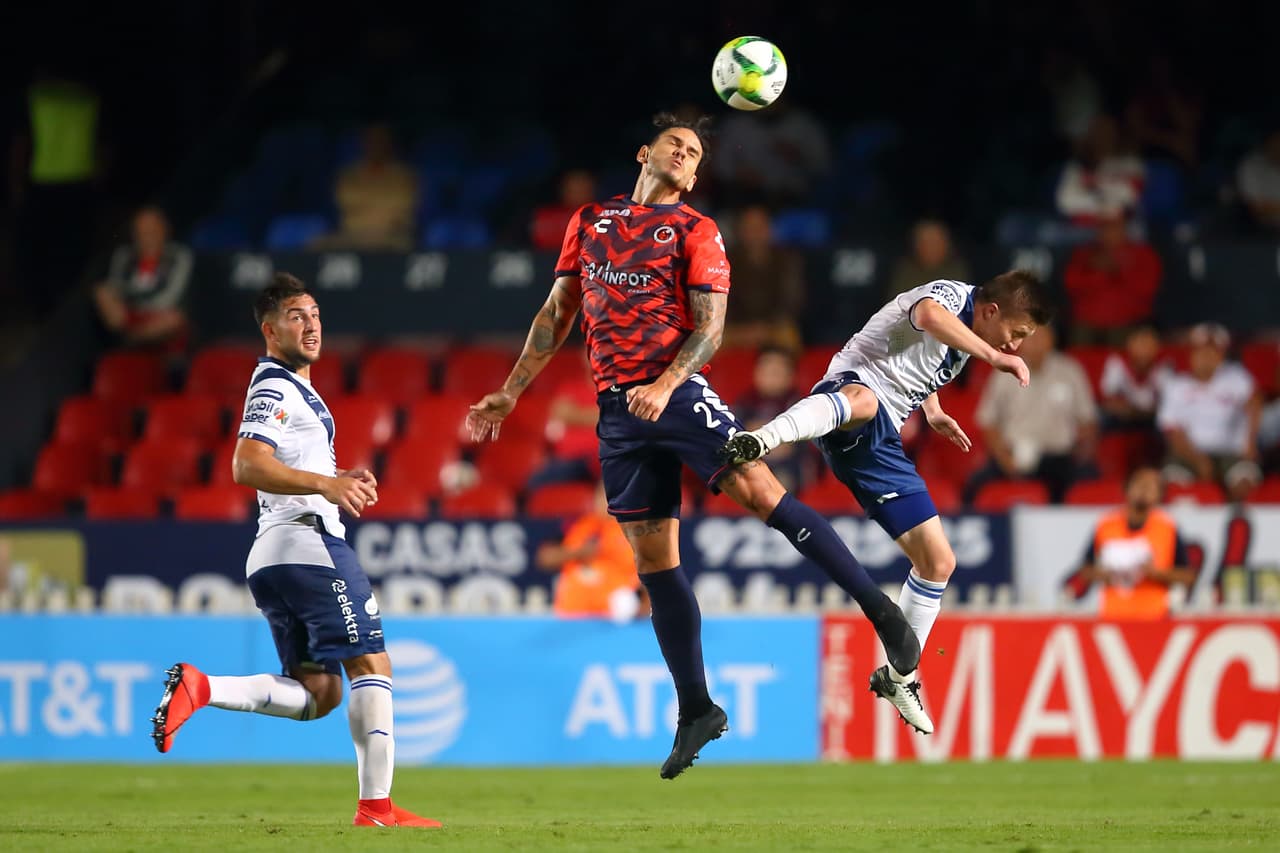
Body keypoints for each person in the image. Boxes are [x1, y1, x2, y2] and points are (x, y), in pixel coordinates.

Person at [466, 112, 919, 779]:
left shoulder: (695, 230)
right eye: (675, 144)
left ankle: (880, 610)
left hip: (676, 396)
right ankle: (697, 706)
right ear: (644, 151)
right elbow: (557, 312)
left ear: (697, 174)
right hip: (618, 414)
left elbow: (710, 330)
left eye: (695, 153)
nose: (683, 154)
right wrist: (511, 390)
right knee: (654, 559)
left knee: (761, 490)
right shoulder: (590, 221)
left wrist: (668, 380)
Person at [149, 273, 439, 829]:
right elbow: (245, 464)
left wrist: (336, 478)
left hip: (275, 554)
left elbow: (279, 463)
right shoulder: (275, 386)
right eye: (296, 317)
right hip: (308, 543)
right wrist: (326, 486)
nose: (310, 326)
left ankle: (202, 687)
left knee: (320, 692)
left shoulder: (294, 389)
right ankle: (377, 810)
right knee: (371, 663)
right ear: (269, 328)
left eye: (315, 315)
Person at [719, 270, 1052, 736]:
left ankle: (900, 677)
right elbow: (928, 317)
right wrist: (994, 355)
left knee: (938, 561)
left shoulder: (965, 338)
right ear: (993, 311)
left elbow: (922, 357)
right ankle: (763, 438)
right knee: (865, 401)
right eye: (1015, 334)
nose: (1014, 345)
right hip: (850, 394)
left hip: (882, 444)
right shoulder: (950, 297)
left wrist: (933, 411)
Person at [968, 323, 1099, 503]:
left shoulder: (1070, 371)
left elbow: (1088, 420)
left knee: (1089, 480)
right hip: (1014, 456)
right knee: (975, 484)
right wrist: (1005, 459)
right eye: (1030, 338)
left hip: (1060, 458)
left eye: (1041, 337)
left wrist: (1080, 450)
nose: (1035, 343)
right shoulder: (1004, 372)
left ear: (1052, 340)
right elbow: (988, 422)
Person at [1062, 466, 1196, 619]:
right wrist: (1106, 574)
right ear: (1126, 488)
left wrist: (1156, 573)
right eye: (1140, 483)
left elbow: (1187, 575)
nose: (1144, 490)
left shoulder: (1168, 527)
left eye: (1151, 485)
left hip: (1155, 616)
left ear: (1159, 494)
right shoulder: (1106, 525)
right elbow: (1085, 570)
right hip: (1113, 614)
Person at [1157, 323, 1263, 502]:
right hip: (1189, 453)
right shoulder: (1176, 385)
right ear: (1192, 354)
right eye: (1202, 351)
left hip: (1231, 452)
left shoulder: (1236, 377)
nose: (1208, 357)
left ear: (1221, 356)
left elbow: (1255, 403)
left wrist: (1250, 441)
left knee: (1246, 482)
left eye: (1214, 352)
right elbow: (1173, 432)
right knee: (1173, 486)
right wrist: (1198, 460)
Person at [535, 481, 647, 621]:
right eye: (601, 495)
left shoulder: (636, 533)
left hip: (611, 621)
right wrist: (579, 553)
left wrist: (638, 609)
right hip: (570, 617)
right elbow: (545, 559)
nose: (605, 502)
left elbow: (650, 580)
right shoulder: (578, 525)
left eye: (612, 496)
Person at [91, 205, 192, 352]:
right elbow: (115, 287)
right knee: (102, 292)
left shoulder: (179, 256)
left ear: (164, 230)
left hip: (159, 317)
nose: (146, 236)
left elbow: (169, 297)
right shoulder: (123, 256)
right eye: (141, 231)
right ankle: (126, 341)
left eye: (152, 231)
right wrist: (128, 304)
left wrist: (133, 300)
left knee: (174, 319)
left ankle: (131, 341)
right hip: (128, 316)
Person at [313, 123, 420, 251]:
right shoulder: (349, 174)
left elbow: (402, 205)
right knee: (317, 243)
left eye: (380, 140)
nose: (375, 145)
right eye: (371, 141)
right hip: (353, 235)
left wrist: (367, 205)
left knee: (405, 245)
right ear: (363, 144)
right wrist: (383, 199)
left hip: (392, 236)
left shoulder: (404, 175)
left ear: (389, 144)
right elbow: (346, 202)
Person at [1062, 211, 1162, 346]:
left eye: (1115, 226)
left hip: (1128, 322)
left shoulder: (1143, 254)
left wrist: (1119, 270)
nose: (1109, 232)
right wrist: (1098, 273)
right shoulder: (1084, 255)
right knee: (1080, 334)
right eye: (1105, 227)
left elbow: (1147, 289)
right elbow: (1071, 284)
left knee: (1128, 336)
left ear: (1125, 227)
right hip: (1087, 324)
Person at [721, 204, 806, 351]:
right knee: (710, 341)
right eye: (750, 228)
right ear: (741, 231)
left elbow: (792, 300)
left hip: (774, 328)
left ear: (770, 230)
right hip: (735, 328)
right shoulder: (725, 260)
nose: (755, 233)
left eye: (760, 227)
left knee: (790, 336)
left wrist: (766, 329)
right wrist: (746, 330)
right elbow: (720, 301)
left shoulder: (786, 260)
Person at [732, 344, 815, 493]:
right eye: (766, 371)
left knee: (780, 483)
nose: (771, 377)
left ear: (790, 375)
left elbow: (799, 449)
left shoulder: (800, 405)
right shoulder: (744, 403)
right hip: (750, 468)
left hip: (790, 471)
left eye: (777, 372)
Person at [1055, 114, 1145, 227]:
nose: (1102, 137)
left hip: (1122, 229)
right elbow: (1066, 201)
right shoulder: (1076, 166)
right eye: (1097, 132)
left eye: (1107, 132)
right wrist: (1105, 202)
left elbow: (1131, 196)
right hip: (1083, 228)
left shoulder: (1130, 163)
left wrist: (1095, 184)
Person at [1099, 325, 1171, 433]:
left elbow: (1168, 403)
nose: (1144, 351)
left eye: (1149, 345)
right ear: (1130, 345)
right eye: (1140, 344)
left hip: (1152, 417)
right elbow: (1108, 397)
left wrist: (1143, 411)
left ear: (1157, 348)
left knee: (1169, 420)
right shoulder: (1117, 362)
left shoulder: (1164, 366)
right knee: (1100, 416)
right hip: (1124, 417)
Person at [886, 219, 971, 300]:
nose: (931, 248)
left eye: (935, 243)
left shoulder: (957, 271)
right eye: (925, 243)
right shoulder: (904, 271)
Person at [530, 168, 598, 252]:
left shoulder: (606, 215)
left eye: (582, 186)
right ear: (563, 189)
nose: (578, 192)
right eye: (574, 187)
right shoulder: (545, 216)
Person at [1236, 125, 1280, 234]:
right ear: (1267, 141)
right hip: (1264, 233)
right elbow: (1257, 209)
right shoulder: (1251, 165)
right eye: (1276, 140)